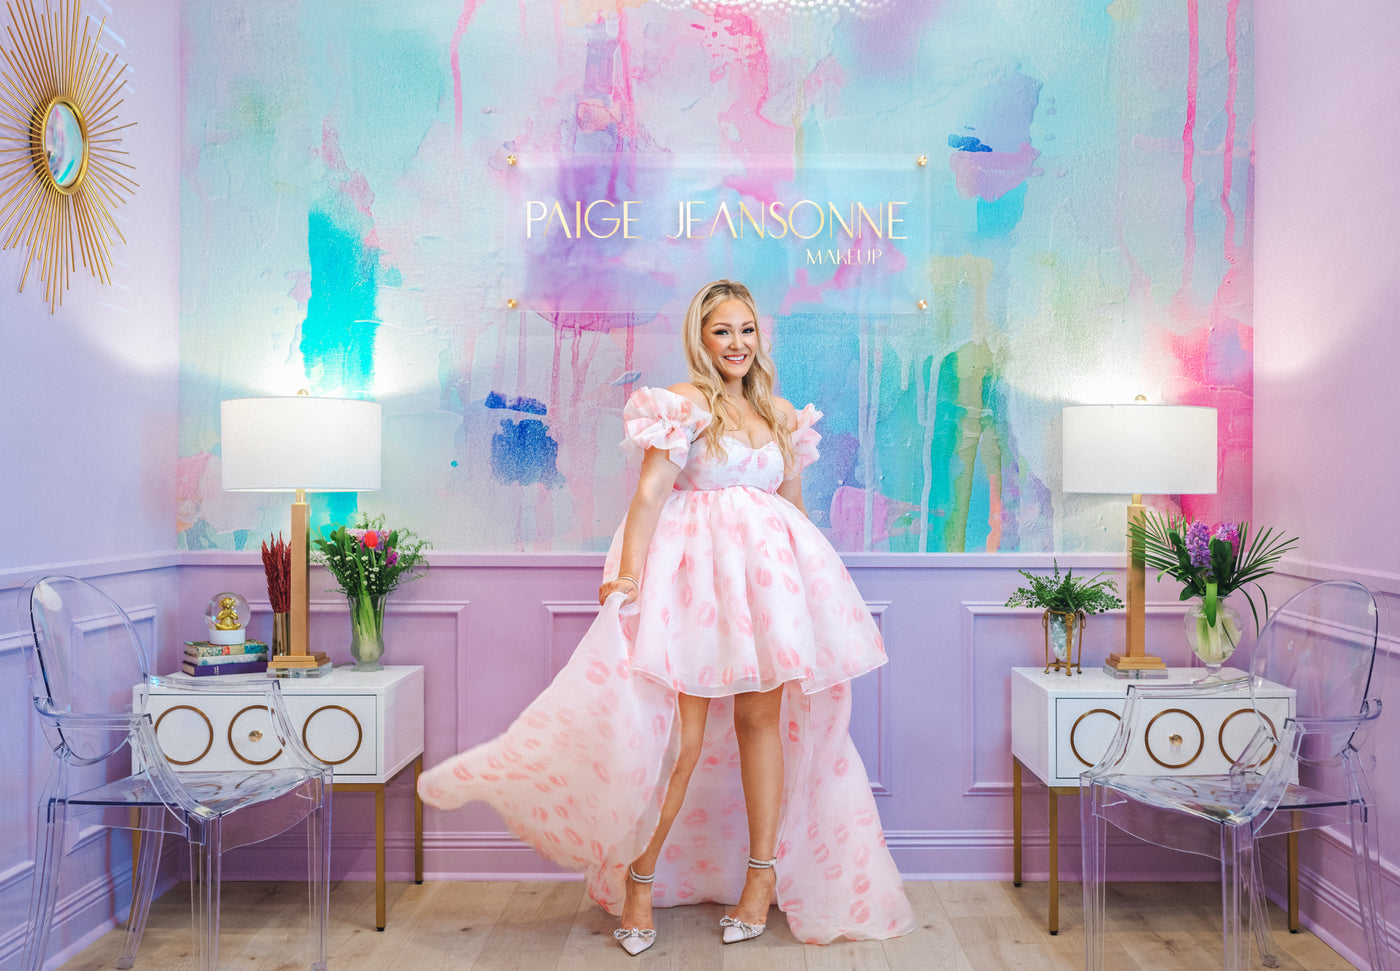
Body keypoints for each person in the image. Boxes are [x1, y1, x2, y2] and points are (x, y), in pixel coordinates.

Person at [418, 280, 914, 954]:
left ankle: (760, 882)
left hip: (766, 591)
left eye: (745, 330)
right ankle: (639, 879)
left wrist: (809, 595)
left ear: (757, 338)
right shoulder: (680, 406)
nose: (736, 343)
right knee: (677, 744)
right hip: (695, 589)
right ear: (701, 338)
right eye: (722, 331)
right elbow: (651, 495)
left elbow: (793, 508)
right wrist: (627, 575)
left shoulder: (781, 414)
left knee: (761, 723)